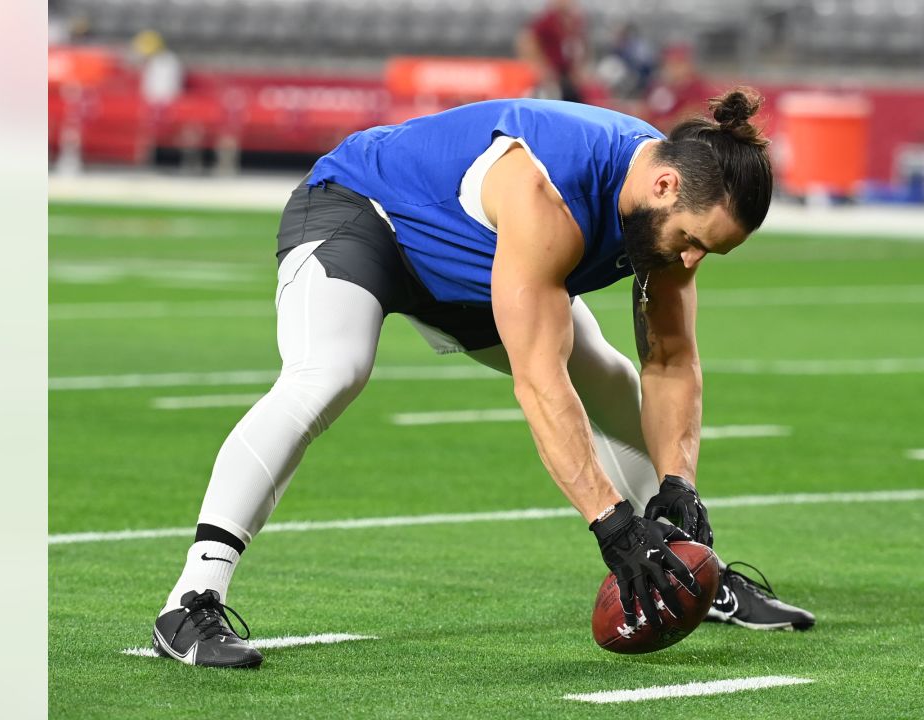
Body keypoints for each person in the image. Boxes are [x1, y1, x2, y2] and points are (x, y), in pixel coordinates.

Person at [152, 89, 816, 668]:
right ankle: (190, 599)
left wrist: (680, 487)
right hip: (366, 213)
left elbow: (670, 360)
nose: (692, 260)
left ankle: (686, 567)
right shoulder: (545, 190)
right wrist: (612, 525)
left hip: (472, 266)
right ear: (666, 187)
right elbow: (538, 382)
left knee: (612, 379)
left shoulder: (667, 201)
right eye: (693, 241)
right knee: (329, 371)